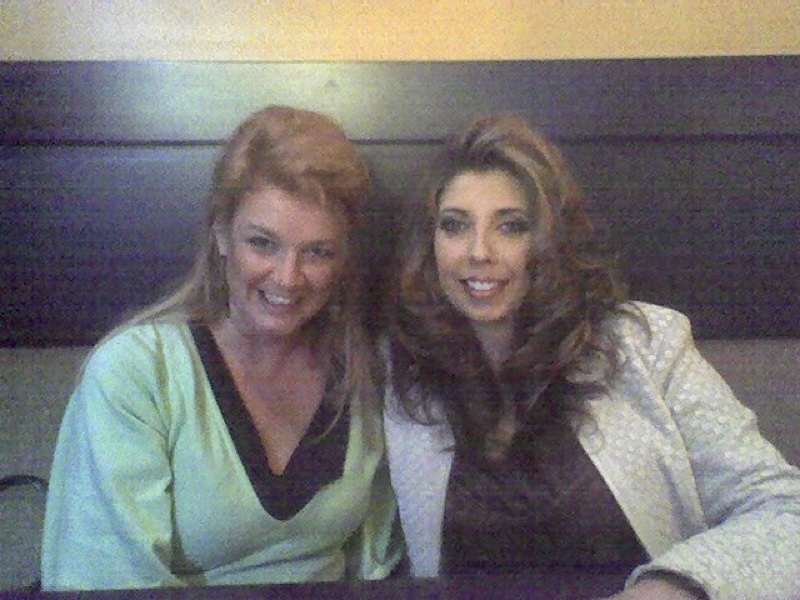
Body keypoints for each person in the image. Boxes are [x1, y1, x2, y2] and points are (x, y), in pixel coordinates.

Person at [383, 115, 800, 600]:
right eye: (455, 226)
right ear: (430, 243)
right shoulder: (401, 367)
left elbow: (784, 513)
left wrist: (670, 588)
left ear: (549, 241)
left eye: (511, 227)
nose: (479, 251)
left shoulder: (647, 346)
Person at [41, 106, 402, 590]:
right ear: (222, 237)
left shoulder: (365, 373)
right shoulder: (137, 372)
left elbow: (378, 568)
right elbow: (104, 579)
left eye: (317, 252)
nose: (288, 278)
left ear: (343, 260)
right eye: (263, 243)